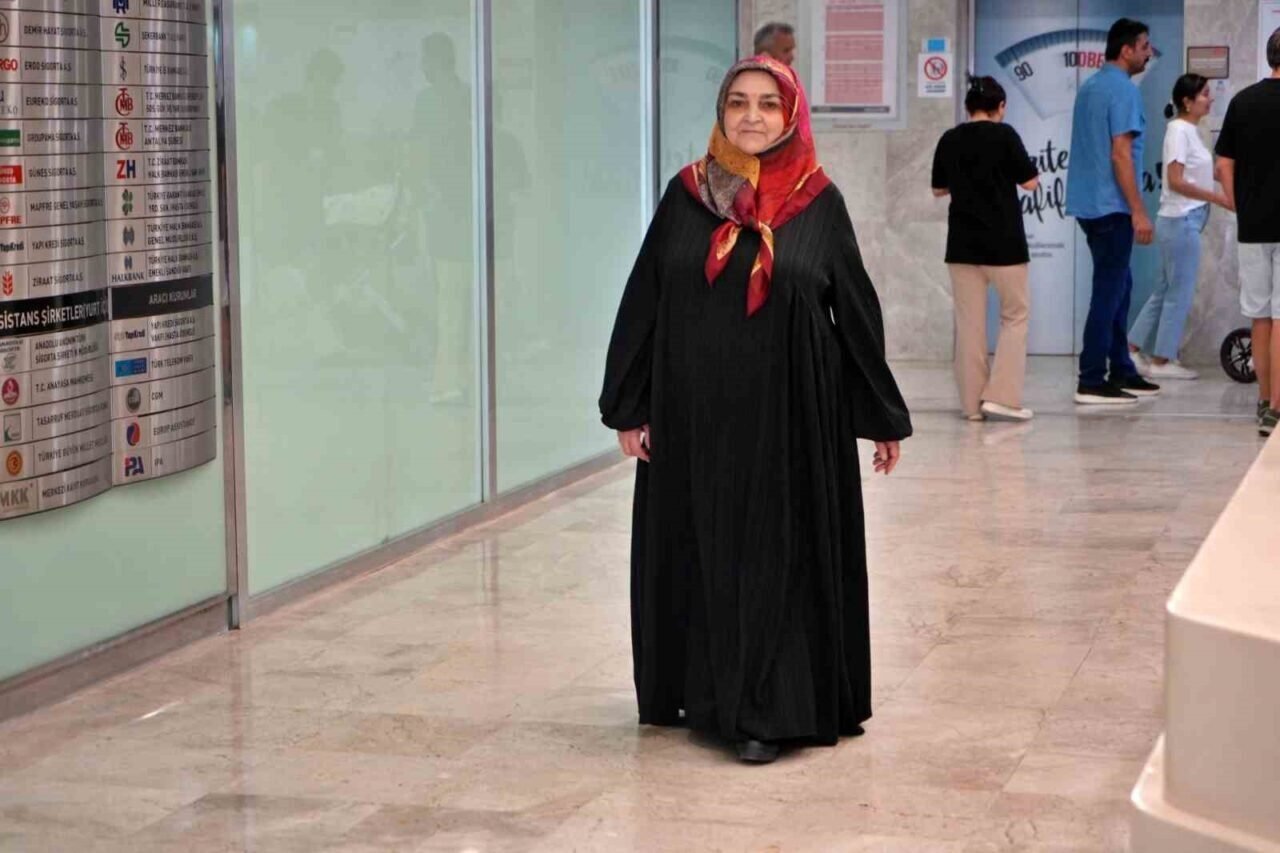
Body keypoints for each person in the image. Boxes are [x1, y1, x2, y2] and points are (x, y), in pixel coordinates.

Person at [599, 56, 912, 764]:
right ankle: (709, 693)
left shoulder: (819, 200)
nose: (751, 116)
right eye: (738, 102)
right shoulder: (687, 195)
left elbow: (854, 310)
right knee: (706, 547)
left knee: (777, 552)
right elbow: (646, 297)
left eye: (769, 104)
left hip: (793, 419)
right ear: (721, 112)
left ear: (791, 116)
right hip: (696, 417)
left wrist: (879, 415)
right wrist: (630, 404)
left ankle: (768, 709)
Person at [1064, 18, 1162, 405]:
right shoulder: (1123, 91)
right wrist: (1138, 210)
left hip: (1089, 206)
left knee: (1120, 286)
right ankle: (1091, 377)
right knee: (1109, 291)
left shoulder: (1090, 87)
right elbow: (1121, 154)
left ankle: (1122, 367)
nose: (1148, 53)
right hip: (1111, 207)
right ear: (1126, 50)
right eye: (1144, 46)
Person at [931, 75, 1040, 422]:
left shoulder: (950, 139)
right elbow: (1030, 182)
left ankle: (971, 406)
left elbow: (938, 189)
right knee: (1015, 316)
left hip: (962, 246)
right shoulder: (1005, 135)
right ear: (1000, 107)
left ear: (968, 107)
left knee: (969, 326)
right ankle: (1002, 397)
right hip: (1004, 244)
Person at [1127, 75, 1232, 381]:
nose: (1210, 99)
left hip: (1184, 220)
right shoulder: (1178, 131)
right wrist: (1217, 197)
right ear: (1187, 101)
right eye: (1205, 94)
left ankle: (1131, 349)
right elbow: (1175, 181)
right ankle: (1162, 360)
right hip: (1180, 220)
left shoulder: (1191, 131)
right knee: (1179, 293)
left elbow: (1201, 173)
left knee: (1165, 289)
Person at [1216, 27, 1280, 436]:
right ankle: (1278, 408)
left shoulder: (1243, 101)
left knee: (1260, 316)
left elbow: (1223, 164)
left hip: (1253, 225)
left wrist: (1240, 204)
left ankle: (1263, 402)